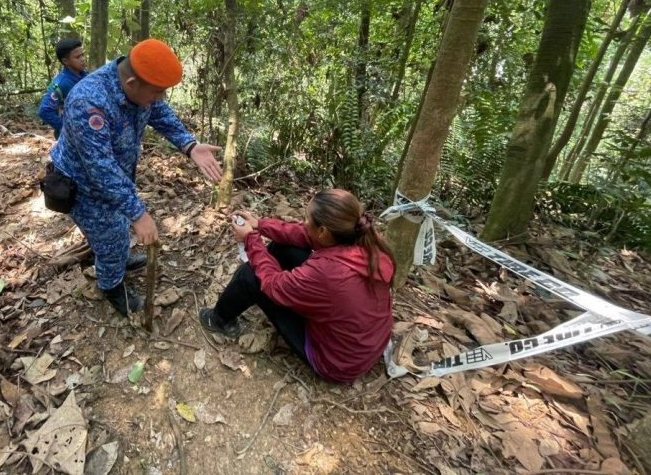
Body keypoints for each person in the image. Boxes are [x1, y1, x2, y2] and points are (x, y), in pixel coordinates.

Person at [50, 39, 223, 316]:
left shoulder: (140, 89)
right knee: (111, 237)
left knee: (117, 229)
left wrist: (189, 145)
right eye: (157, 92)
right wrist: (139, 214)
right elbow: (100, 168)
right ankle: (111, 284)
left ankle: (116, 259)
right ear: (131, 83)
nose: (159, 98)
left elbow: (159, 111)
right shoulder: (89, 101)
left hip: (114, 177)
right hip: (82, 184)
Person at [199, 189, 395, 383]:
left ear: (323, 232)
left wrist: (251, 240)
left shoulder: (327, 273)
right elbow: (304, 235)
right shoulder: (365, 238)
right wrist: (260, 225)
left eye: (307, 219)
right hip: (365, 344)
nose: (303, 223)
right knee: (284, 247)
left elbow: (272, 285)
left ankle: (219, 320)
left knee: (251, 275)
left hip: (337, 363)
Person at [38, 38, 88, 138]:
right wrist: (66, 128)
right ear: (65, 61)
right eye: (78, 57)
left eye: (83, 55)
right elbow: (44, 111)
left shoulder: (86, 76)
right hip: (71, 139)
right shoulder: (60, 84)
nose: (83, 59)